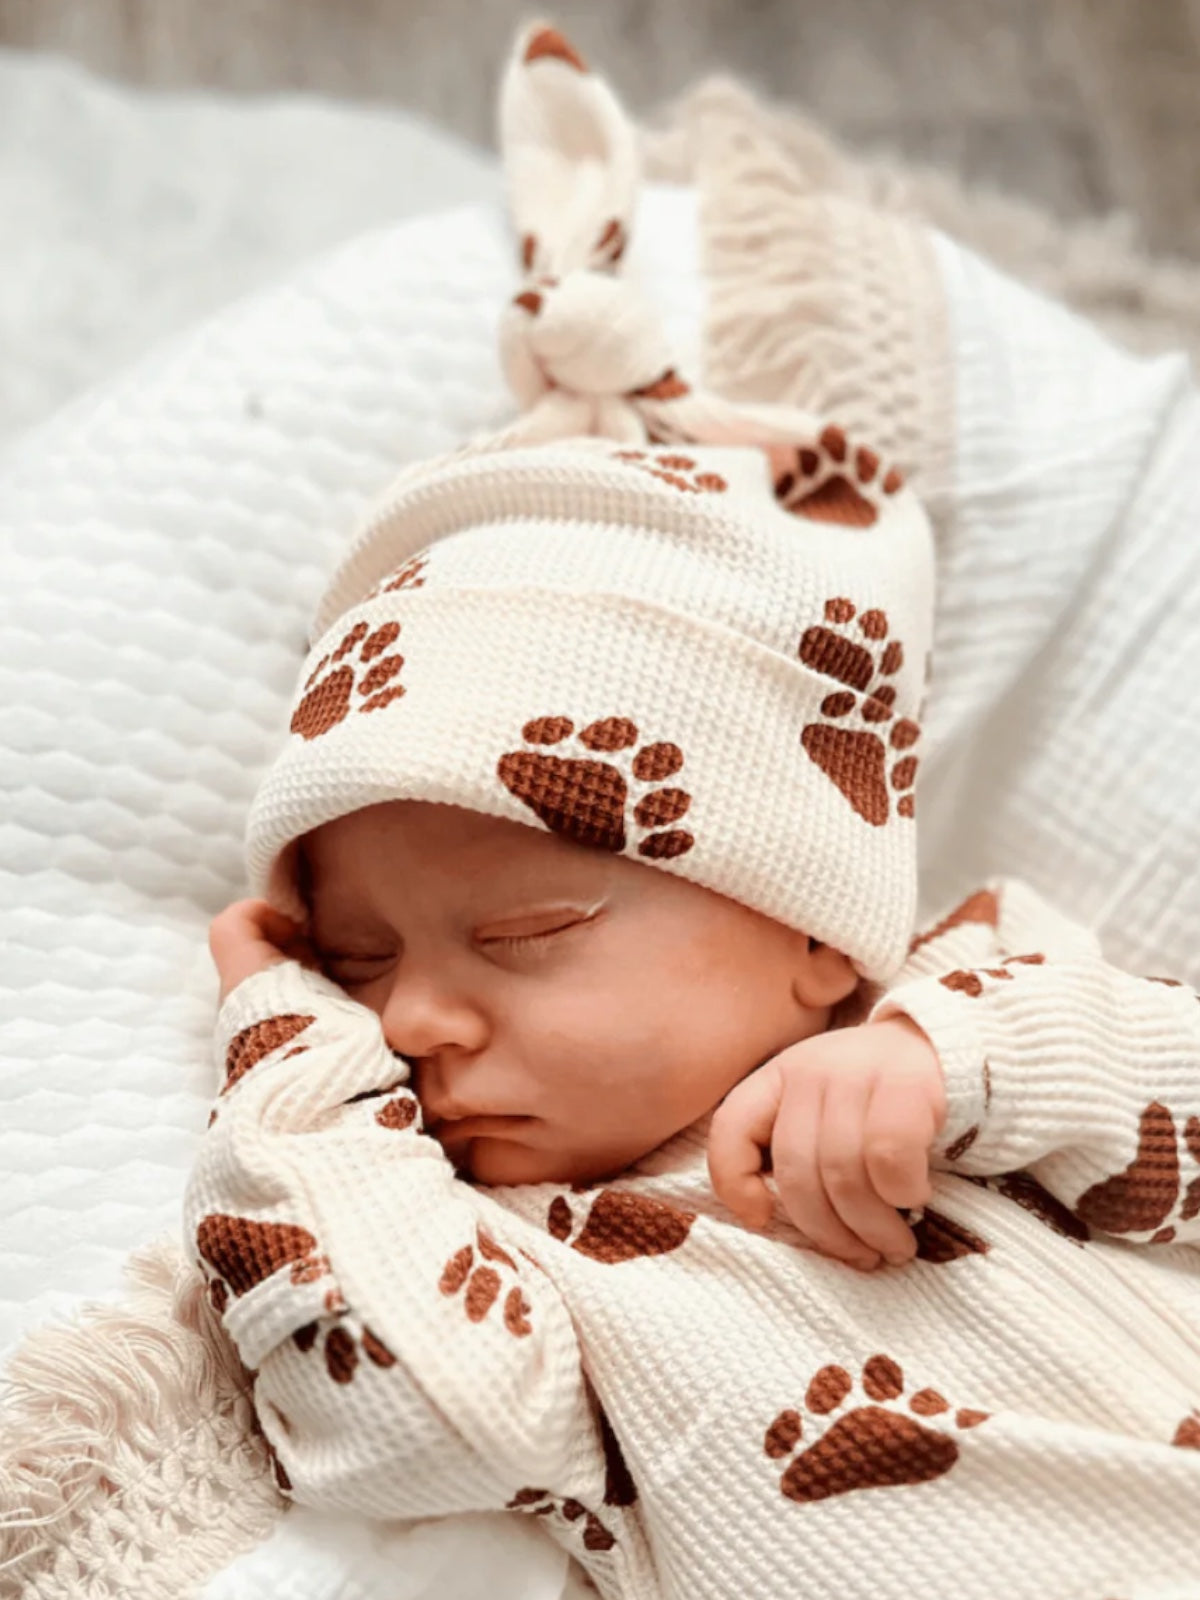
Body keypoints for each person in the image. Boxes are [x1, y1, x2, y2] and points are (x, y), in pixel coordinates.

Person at [183, 25, 1200, 1600]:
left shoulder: (973, 990)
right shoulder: (517, 1251)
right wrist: (294, 1065)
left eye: (524, 932)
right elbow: (417, 1426)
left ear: (809, 921)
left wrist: (961, 1067)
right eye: (361, 960)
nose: (420, 1020)